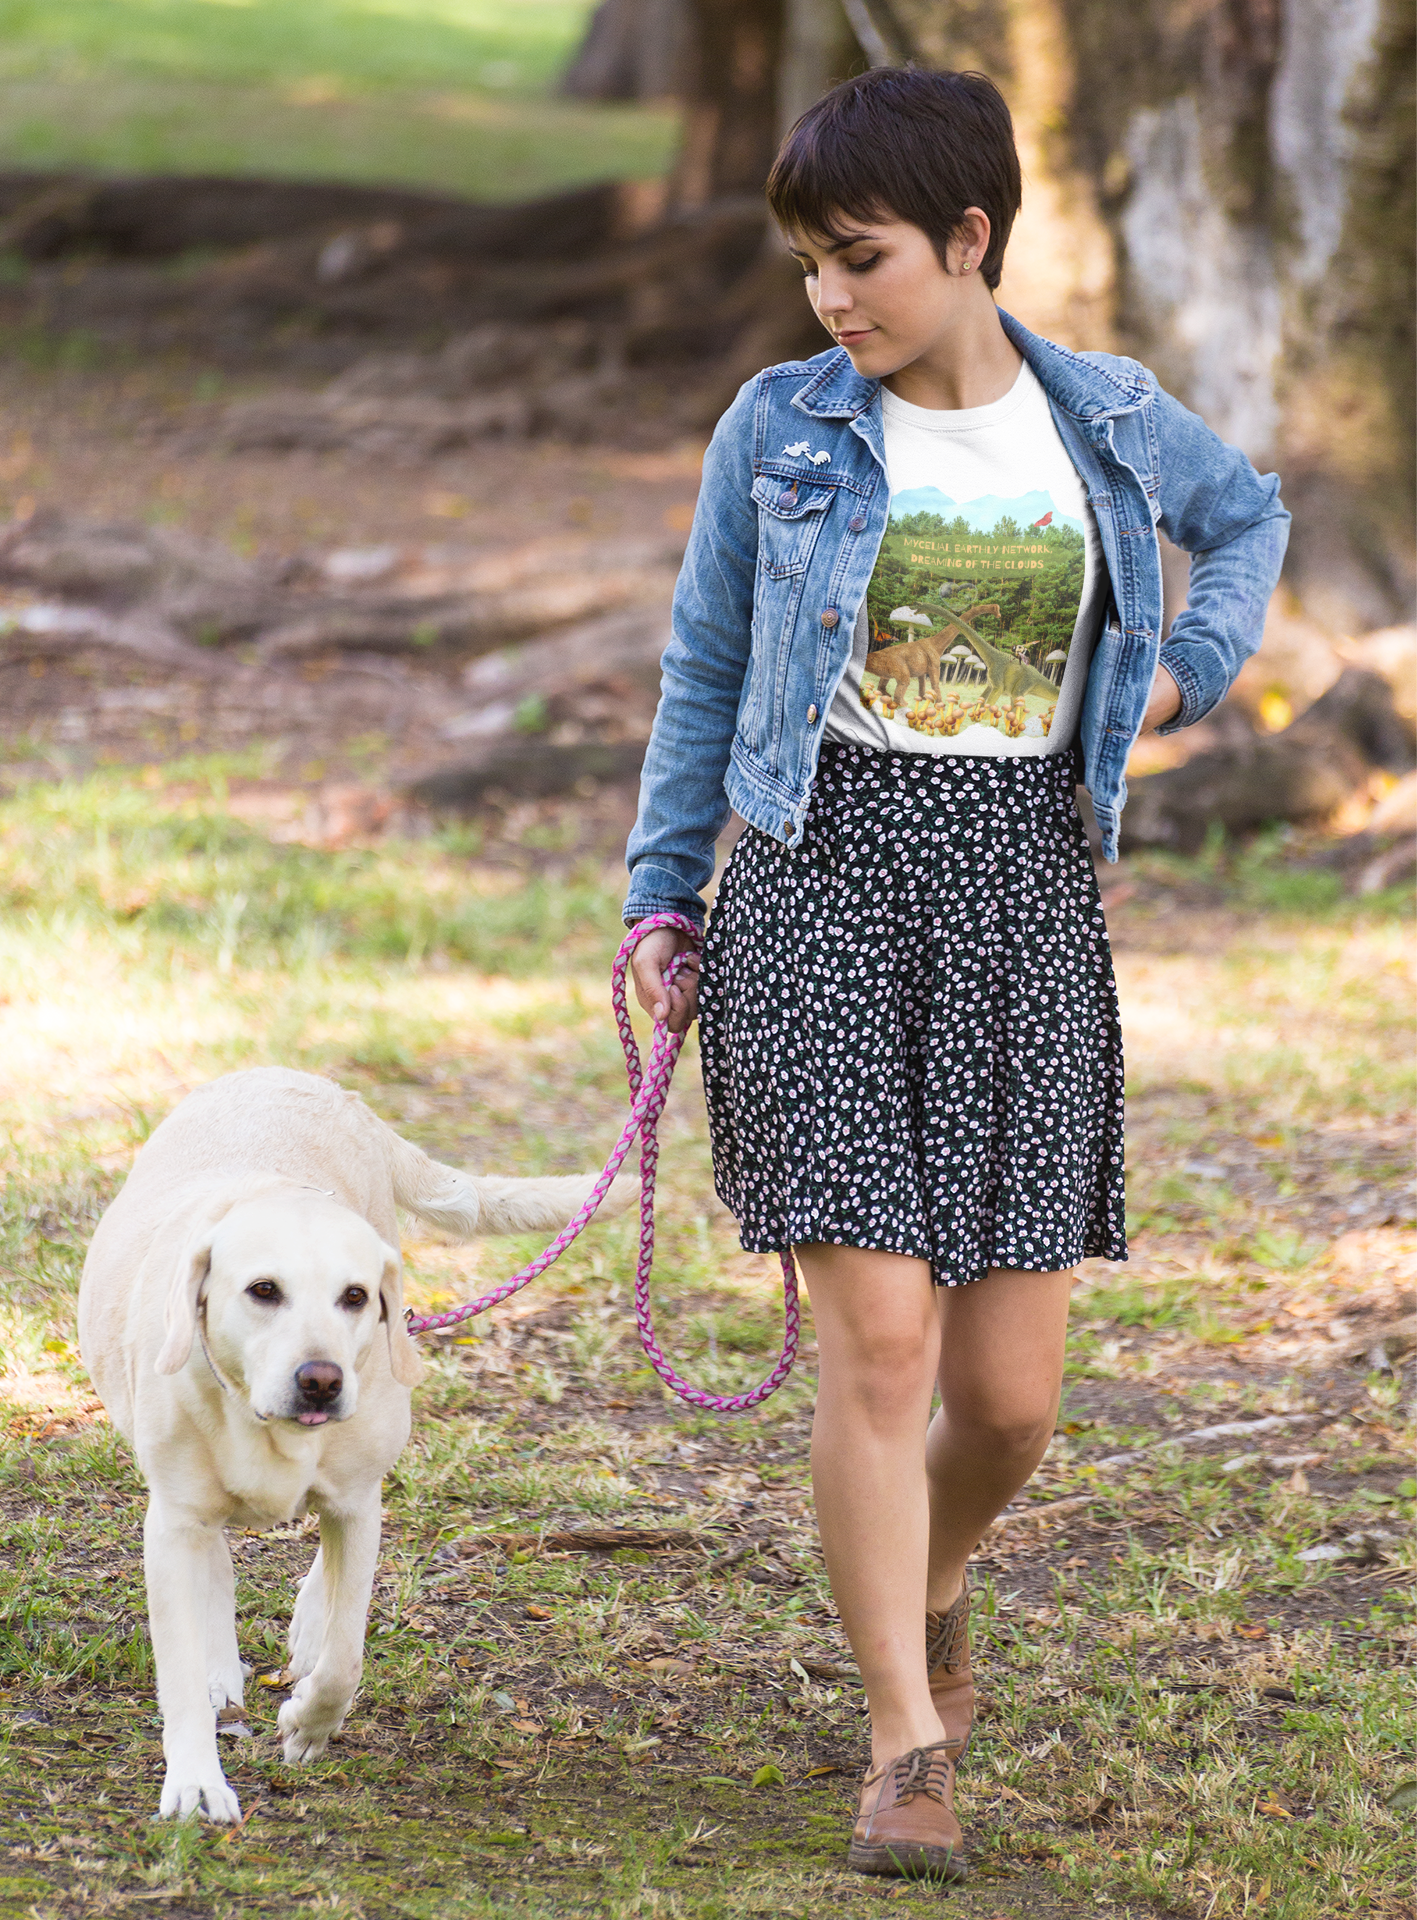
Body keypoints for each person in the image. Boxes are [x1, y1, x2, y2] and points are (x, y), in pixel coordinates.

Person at [623, 66, 1288, 1881]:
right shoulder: (782, 430)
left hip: (1021, 900)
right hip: (822, 882)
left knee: (1006, 1405)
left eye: (865, 259)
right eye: (811, 268)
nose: (833, 299)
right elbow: (701, 674)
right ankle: (904, 1741)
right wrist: (663, 902)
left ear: (972, 239)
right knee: (886, 1344)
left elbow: (1252, 521)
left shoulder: (1113, 423)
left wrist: (1177, 680)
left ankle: (923, 1586)